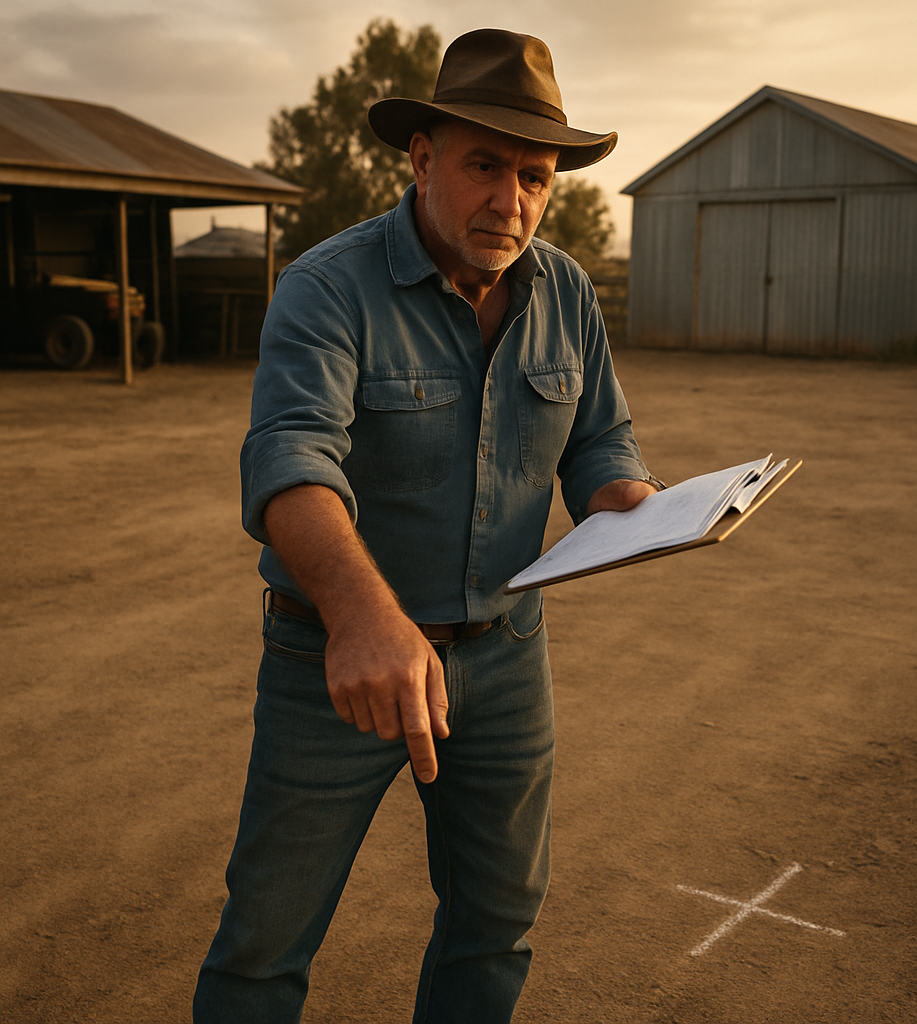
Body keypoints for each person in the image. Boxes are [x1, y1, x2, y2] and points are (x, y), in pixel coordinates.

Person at [193, 28, 660, 1024]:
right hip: (336, 659)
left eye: (535, 177)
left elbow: (599, 439)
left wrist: (624, 497)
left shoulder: (565, 290)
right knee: (264, 944)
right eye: (486, 166)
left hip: (503, 654)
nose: (512, 201)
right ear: (421, 158)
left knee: (496, 920)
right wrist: (364, 614)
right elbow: (289, 461)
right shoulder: (328, 288)